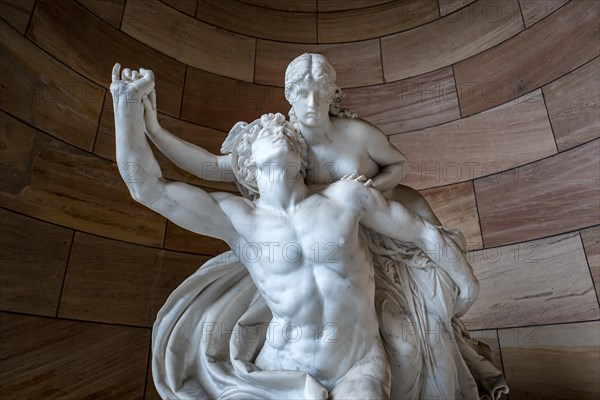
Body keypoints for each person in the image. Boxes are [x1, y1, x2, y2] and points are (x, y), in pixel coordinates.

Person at [111, 64, 482, 399]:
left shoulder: (347, 197)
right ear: (247, 162)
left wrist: (466, 283)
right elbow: (147, 187)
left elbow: (422, 234)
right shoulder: (237, 219)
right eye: (264, 132)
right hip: (282, 371)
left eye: (284, 131)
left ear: (300, 155)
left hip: (358, 364)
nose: (278, 130)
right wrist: (127, 109)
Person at [142, 53, 441, 225]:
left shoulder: (358, 133)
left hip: (392, 220)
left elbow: (399, 166)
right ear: (288, 95)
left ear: (332, 95)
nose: (311, 102)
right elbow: (212, 166)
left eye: (320, 92)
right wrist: (154, 131)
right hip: (330, 241)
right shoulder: (283, 143)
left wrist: (370, 187)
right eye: (302, 93)